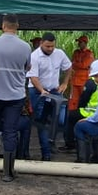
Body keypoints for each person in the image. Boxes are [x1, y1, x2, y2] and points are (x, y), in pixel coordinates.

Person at [0, 14, 31, 181]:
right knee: (10, 130)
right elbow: (28, 66)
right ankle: (7, 172)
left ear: (3, 26)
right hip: (15, 95)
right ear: (17, 25)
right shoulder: (26, 47)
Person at [26, 32, 72, 161]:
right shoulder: (34, 57)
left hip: (54, 90)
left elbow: (68, 67)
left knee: (61, 119)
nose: (50, 49)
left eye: (52, 46)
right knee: (42, 122)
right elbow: (33, 77)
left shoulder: (59, 53)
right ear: (41, 43)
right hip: (37, 91)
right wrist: (41, 90)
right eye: (47, 46)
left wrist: (65, 83)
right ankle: (45, 153)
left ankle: (50, 141)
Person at [63, 35, 94, 152]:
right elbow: (73, 64)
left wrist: (77, 64)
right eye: (78, 42)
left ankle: (79, 131)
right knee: (73, 105)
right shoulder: (76, 52)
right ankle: (71, 137)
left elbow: (84, 65)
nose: (79, 44)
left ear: (85, 43)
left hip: (83, 81)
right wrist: (76, 64)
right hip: (75, 81)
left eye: (81, 42)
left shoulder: (89, 53)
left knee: (83, 103)